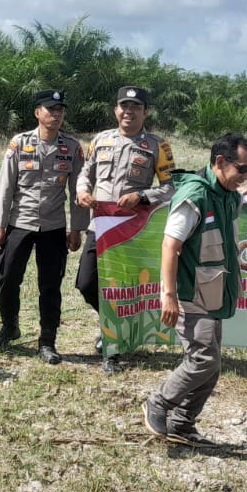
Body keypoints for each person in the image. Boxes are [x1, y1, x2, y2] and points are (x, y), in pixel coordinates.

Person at [142, 133, 247, 445]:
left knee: (211, 364)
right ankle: (159, 402)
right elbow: (170, 245)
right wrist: (169, 295)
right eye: (242, 169)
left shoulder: (228, 195)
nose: (245, 176)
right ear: (220, 162)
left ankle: (182, 423)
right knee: (204, 359)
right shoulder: (195, 195)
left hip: (213, 291)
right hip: (191, 292)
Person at [75, 85, 177, 374]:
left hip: (133, 231)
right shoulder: (100, 139)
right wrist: (83, 190)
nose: (128, 112)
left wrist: (143, 196)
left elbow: (171, 187)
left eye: (135, 107)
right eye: (123, 106)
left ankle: (113, 346)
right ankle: (122, 327)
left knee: (120, 289)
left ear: (145, 112)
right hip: (101, 225)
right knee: (87, 283)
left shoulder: (158, 146)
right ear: (115, 110)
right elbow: (86, 172)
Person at [0, 89, 86, 364]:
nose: (56, 114)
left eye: (60, 110)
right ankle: (9, 327)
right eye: (50, 109)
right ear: (37, 112)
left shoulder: (73, 147)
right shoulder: (19, 143)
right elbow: (5, 186)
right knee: (7, 278)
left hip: (53, 227)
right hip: (19, 223)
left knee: (50, 285)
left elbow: (78, 190)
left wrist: (77, 228)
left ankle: (47, 341)